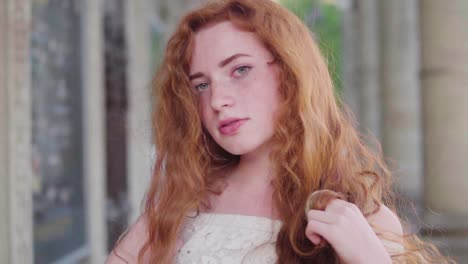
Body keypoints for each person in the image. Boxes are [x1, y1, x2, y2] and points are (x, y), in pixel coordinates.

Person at [106, 0, 453, 263]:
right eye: (200, 85)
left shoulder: (356, 214)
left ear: (289, 73)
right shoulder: (180, 206)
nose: (217, 100)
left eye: (240, 69)